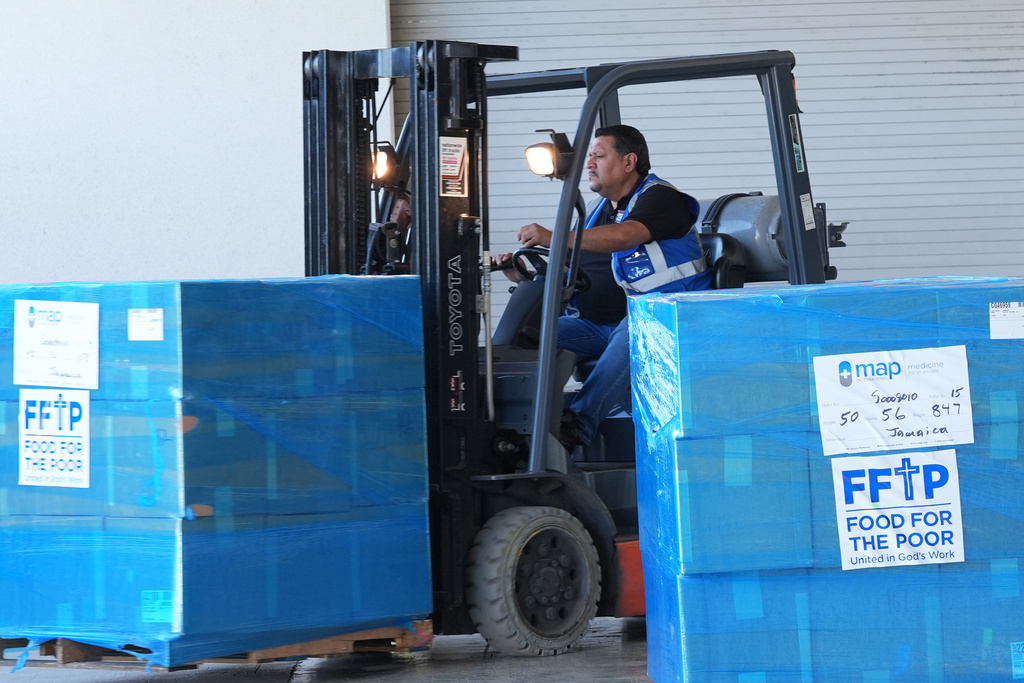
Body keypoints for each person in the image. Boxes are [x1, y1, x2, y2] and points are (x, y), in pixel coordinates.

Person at [496, 124, 712, 450]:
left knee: (638, 325)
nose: (589, 164)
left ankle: (577, 428)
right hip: (601, 325)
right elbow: (574, 269)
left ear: (629, 162)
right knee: (526, 335)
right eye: (590, 157)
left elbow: (629, 236)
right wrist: (522, 274)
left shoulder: (661, 198)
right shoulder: (600, 211)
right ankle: (511, 423)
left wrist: (554, 237)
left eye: (599, 155)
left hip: (667, 319)